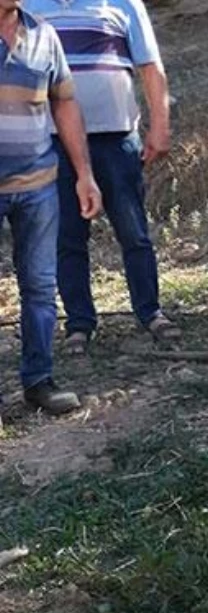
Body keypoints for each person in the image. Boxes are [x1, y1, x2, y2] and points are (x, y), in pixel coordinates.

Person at [27, 0, 180, 355]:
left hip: (116, 138)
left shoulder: (123, 4)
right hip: (51, 142)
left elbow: (151, 67)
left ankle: (150, 312)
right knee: (67, 237)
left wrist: (160, 126)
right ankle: (79, 324)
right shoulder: (29, 7)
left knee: (134, 233)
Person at [0, 0, 101, 414]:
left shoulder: (43, 34)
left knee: (40, 287)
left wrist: (84, 173)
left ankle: (38, 381)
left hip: (38, 183)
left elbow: (64, 103)